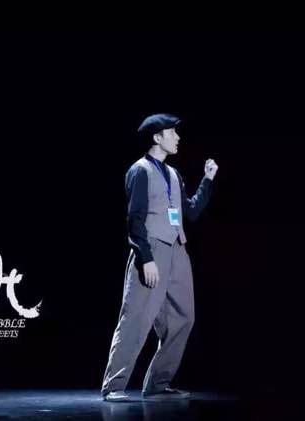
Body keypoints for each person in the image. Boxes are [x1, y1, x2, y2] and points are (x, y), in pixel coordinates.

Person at [101, 114, 218, 402]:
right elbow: (135, 219)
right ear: (157, 137)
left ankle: (157, 384)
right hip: (151, 248)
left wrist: (207, 180)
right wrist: (145, 257)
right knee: (136, 318)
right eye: (172, 132)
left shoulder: (174, 174)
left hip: (178, 250)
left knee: (183, 319)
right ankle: (114, 386)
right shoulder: (140, 171)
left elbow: (190, 211)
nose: (178, 137)